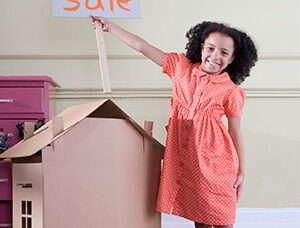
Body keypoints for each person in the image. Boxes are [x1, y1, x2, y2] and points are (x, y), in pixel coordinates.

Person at [92, 17, 258, 228]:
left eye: (224, 53)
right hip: (189, 158)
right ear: (201, 47)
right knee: (200, 215)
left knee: (223, 216)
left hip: (218, 161)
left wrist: (241, 170)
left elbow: (235, 132)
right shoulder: (180, 67)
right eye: (210, 48)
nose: (215, 56)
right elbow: (142, 46)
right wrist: (111, 27)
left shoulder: (231, 91)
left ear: (233, 58)